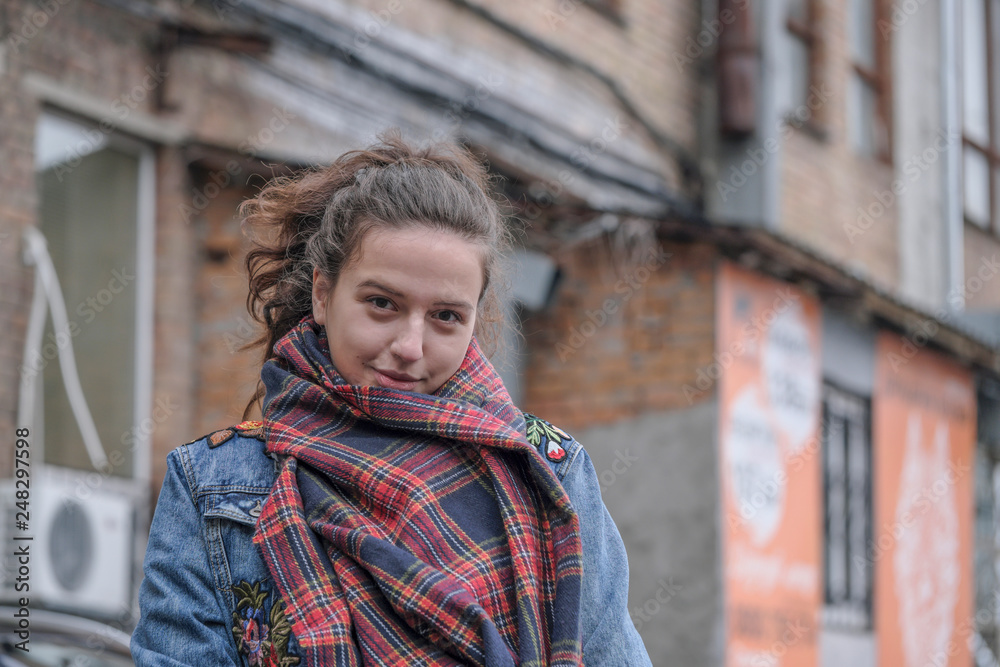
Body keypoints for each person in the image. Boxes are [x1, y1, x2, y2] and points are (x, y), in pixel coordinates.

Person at [131, 131, 652, 667]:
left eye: (446, 316)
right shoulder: (211, 484)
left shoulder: (547, 469)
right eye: (382, 303)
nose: (409, 346)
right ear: (323, 294)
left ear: (474, 319)